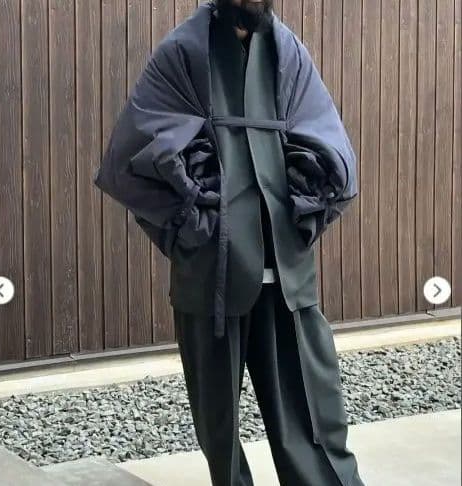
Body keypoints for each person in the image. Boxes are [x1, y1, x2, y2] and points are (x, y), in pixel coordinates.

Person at [94, 1, 366, 484]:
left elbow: (331, 150)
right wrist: (193, 228)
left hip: (287, 281)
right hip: (211, 281)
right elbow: (131, 158)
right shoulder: (182, 52)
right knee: (219, 428)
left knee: (316, 421)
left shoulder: (288, 52)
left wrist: (301, 216)